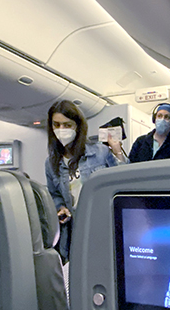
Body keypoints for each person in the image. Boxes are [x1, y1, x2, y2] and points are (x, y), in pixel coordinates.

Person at [45, 100, 126, 259]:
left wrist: (118, 153)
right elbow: (54, 194)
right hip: (75, 229)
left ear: (78, 126)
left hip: (104, 223)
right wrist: (60, 207)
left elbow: (124, 181)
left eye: (67, 125)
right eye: (56, 125)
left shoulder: (100, 152)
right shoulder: (51, 163)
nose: (61, 130)